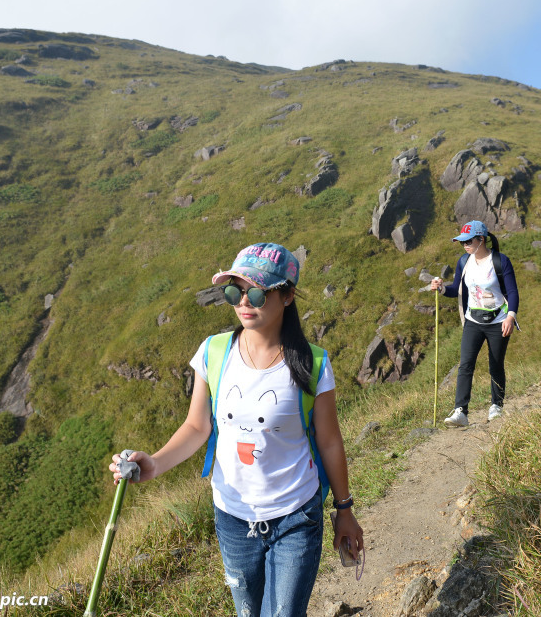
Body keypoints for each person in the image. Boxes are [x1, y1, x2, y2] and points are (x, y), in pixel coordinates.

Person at [109, 243, 363, 617]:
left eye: (257, 292)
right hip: (232, 515)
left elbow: (328, 441)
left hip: (296, 513)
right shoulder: (214, 352)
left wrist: (344, 509)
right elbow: (197, 426)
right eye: (234, 291)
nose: (244, 302)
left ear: (288, 295)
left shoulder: (313, 363)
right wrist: (155, 464)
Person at [430, 220, 519, 426]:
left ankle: (496, 405)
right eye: (462, 242)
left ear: (481, 239)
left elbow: (512, 292)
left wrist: (510, 316)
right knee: (465, 364)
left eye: (468, 241)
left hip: (498, 320)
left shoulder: (500, 261)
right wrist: (442, 289)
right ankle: (461, 411)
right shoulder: (464, 261)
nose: (465, 246)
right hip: (473, 320)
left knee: (495, 364)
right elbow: (457, 290)